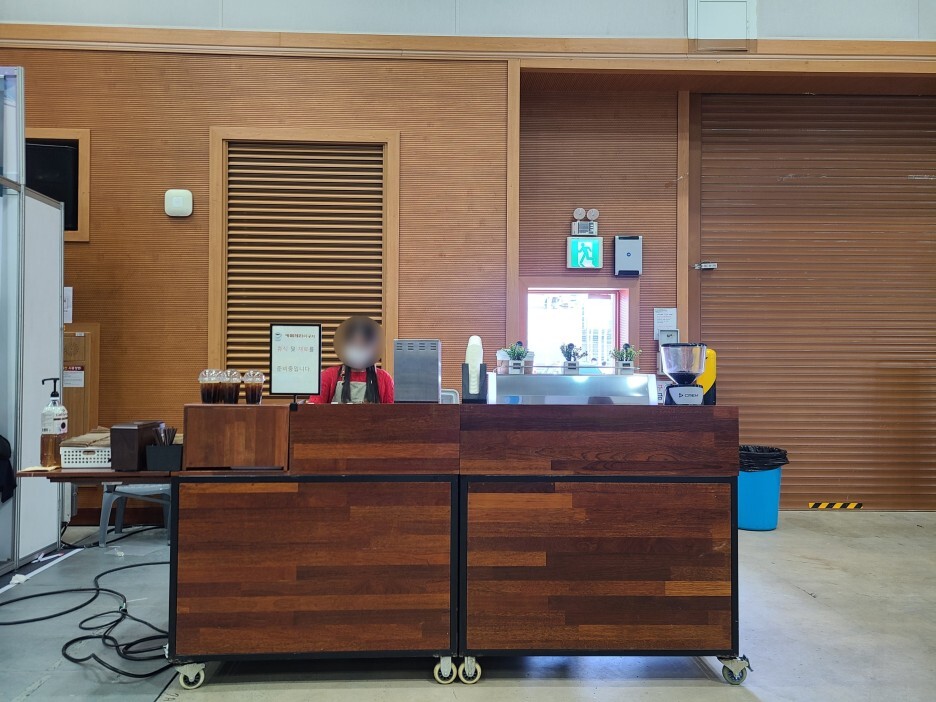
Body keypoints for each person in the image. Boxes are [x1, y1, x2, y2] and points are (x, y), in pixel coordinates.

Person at [308, 316, 394, 404]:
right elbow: (314, 410)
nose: (358, 349)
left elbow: (392, 412)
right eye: (354, 345)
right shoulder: (327, 376)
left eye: (363, 345)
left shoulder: (384, 379)